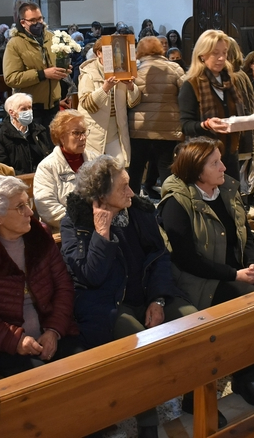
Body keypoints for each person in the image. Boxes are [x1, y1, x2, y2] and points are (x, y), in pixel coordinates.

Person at [158, 138, 254, 414]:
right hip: (202, 280)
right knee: (251, 308)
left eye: (220, 160)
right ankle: (245, 378)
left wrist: (252, 263)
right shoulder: (176, 202)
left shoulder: (226, 189)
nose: (224, 167)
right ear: (196, 170)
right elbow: (187, 260)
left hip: (238, 270)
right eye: (215, 163)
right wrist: (235, 274)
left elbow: (245, 232)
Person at [60, 155, 197, 438]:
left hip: (149, 293)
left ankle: (195, 397)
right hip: (109, 303)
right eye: (123, 187)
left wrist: (158, 299)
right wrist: (101, 233)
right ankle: (147, 423)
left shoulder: (140, 211)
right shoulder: (76, 222)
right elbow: (91, 275)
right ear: (101, 194)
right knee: (140, 344)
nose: (132, 193)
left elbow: (159, 256)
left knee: (196, 323)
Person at [0, 176, 82, 379]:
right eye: (20, 207)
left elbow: (63, 285)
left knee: (87, 370)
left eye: (28, 202)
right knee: (40, 382)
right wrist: (16, 341)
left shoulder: (39, 234)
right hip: (6, 347)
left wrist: (53, 330)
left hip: (54, 330)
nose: (30, 212)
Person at [178, 29, 251, 179]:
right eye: (215, 53)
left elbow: (238, 113)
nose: (221, 58)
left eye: (224, 52)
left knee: (232, 192)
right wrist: (206, 124)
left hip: (230, 152)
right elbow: (186, 125)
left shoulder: (230, 81)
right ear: (202, 55)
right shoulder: (192, 84)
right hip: (205, 157)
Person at [128, 36, 184, 196]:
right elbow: (185, 94)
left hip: (139, 129)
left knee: (135, 170)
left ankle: (131, 206)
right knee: (166, 169)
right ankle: (169, 205)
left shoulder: (134, 71)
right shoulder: (174, 68)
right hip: (167, 128)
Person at [3, 3, 71, 129]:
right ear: (23, 22)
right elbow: (11, 78)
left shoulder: (52, 38)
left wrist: (63, 70)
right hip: (29, 108)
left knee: (52, 141)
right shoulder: (15, 44)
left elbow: (55, 66)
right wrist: (42, 74)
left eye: (40, 18)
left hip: (53, 106)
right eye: (33, 20)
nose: (38, 23)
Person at [33, 110, 99, 230]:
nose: (83, 138)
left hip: (98, 224)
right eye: (76, 133)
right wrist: (81, 220)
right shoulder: (47, 167)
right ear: (61, 137)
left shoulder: (95, 160)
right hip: (64, 229)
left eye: (84, 132)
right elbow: (47, 206)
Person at [77, 43, 141, 164]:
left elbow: (133, 102)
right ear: (99, 53)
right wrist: (105, 88)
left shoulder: (122, 70)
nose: (113, 56)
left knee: (119, 164)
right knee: (93, 167)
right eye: (108, 51)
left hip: (115, 129)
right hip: (94, 130)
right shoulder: (88, 73)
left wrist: (131, 86)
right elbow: (87, 104)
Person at [0, 93, 53, 174]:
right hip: (15, 179)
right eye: (23, 109)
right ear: (12, 113)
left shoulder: (39, 130)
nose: (28, 111)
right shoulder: (0, 137)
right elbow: (2, 168)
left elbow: (47, 156)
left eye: (30, 108)